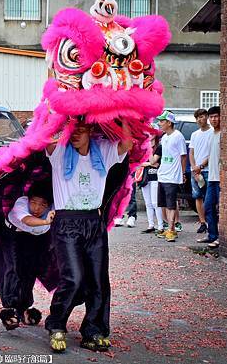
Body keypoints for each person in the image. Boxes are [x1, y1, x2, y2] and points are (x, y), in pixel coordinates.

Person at [44, 120, 132, 353]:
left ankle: (94, 329)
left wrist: (120, 114)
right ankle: (56, 323)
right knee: (73, 277)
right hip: (66, 223)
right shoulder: (59, 152)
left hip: (94, 222)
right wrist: (60, 116)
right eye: (73, 130)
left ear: (91, 132)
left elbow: (127, 142)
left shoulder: (103, 150)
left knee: (98, 279)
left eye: (81, 130)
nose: (75, 134)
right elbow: (46, 137)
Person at [0, 183, 55, 330]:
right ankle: (9, 309)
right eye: (34, 202)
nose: (37, 208)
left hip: (35, 237)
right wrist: (45, 221)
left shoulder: (55, 208)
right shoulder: (21, 203)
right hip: (12, 234)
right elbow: (26, 220)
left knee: (30, 271)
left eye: (42, 205)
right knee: (12, 267)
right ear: (28, 200)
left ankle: (23, 308)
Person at [155, 111, 187, 242]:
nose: (160, 123)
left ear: (169, 122)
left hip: (172, 177)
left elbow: (183, 156)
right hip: (162, 175)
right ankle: (169, 228)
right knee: (163, 204)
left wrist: (183, 173)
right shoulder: (164, 137)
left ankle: (172, 231)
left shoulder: (178, 136)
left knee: (171, 205)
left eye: (162, 121)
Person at [198, 106, 221, 247]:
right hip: (211, 177)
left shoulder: (223, 134)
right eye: (211, 117)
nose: (213, 119)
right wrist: (200, 167)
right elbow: (210, 155)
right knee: (208, 207)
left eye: (216, 116)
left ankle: (221, 238)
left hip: (220, 178)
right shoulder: (211, 134)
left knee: (221, 209)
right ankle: (212, 235)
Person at [189, 108, 213, 234]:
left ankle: (212, 223)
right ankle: (202, 222)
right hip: (196, 172)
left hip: (208, 170)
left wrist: (201, 166)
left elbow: (213, 153)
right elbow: (191, 152)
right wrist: (194, 167)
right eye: (198, 117)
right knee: (197, 197)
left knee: (209, 198)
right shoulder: (194, 134)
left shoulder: (213, 132)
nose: (200, 119)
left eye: (202, 116)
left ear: (207, 117)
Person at [139, 131, 164, 233]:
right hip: (145, 177)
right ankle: (151, 225)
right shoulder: (143, 148)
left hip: (156, 177)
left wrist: (148, 161)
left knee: (155, 203)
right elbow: (140, 162)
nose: (150, 134)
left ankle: (161, 226)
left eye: (152, 132)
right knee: (148, 203)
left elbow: (155, 162)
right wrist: (149, 163)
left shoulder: (159, 147)